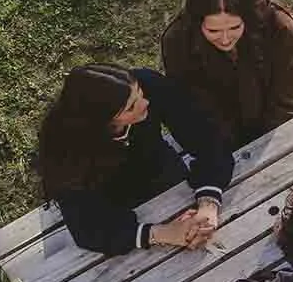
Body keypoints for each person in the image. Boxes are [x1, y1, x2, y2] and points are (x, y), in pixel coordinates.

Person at [34, 64, 232, 255]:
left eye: (140, 94)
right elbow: (88, 229)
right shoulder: (64, 152)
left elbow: (206, 136)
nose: (144, 103)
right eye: (130, 107)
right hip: (112, 206)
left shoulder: (147, 84)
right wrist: (161, 234)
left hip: (166, 174)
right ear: (104, 120)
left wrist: (208, 203)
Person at [160, 0, 293, 149]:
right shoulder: (178, 40)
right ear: (197, 23)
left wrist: (266, 146)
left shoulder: (279, 26)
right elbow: (188, 104)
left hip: (275, 132)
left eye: (234, 28)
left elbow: (292, 98)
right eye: (213, 31)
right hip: (221, 140)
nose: (225, 39)